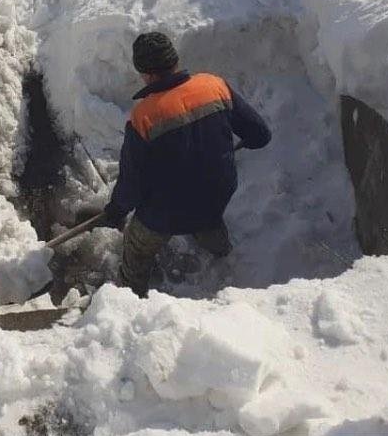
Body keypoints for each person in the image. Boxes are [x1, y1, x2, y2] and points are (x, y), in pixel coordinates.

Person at [102, 31, 272, 296]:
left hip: (166, 212)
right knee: (206, 216)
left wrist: (116, 211)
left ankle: (128, 297)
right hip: (217, 195)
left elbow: (131, 183)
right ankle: (221, 251)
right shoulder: (214, 86)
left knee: (136, 246)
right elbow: (260, 135)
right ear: (175, 60)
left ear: (145, 73)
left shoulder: (143, 116)